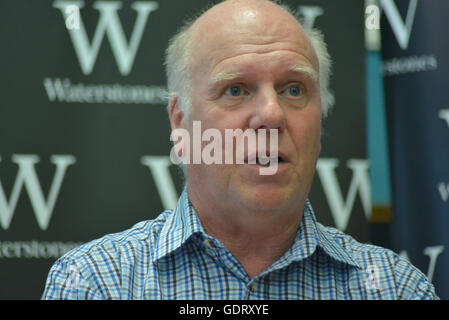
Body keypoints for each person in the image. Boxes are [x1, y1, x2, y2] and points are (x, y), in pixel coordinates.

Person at [42, 0, 438, 299]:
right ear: (180, 121)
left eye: (294, 89)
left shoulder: (394, 288)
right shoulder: (95, 283)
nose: (271, 114)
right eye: (236, 90)